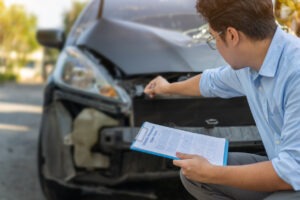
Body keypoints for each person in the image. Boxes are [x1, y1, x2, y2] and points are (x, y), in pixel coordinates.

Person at [144, 0, 300, 199]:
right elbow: (211, 82)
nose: (215, 45)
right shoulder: (251, 63)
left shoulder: (295, 72)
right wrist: (166, 88)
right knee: (195, 177)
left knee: (210, 175)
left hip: (294, 175)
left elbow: (293, 170)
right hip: (284, 167)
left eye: (213, 38)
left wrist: (212, 172)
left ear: (233, 35)